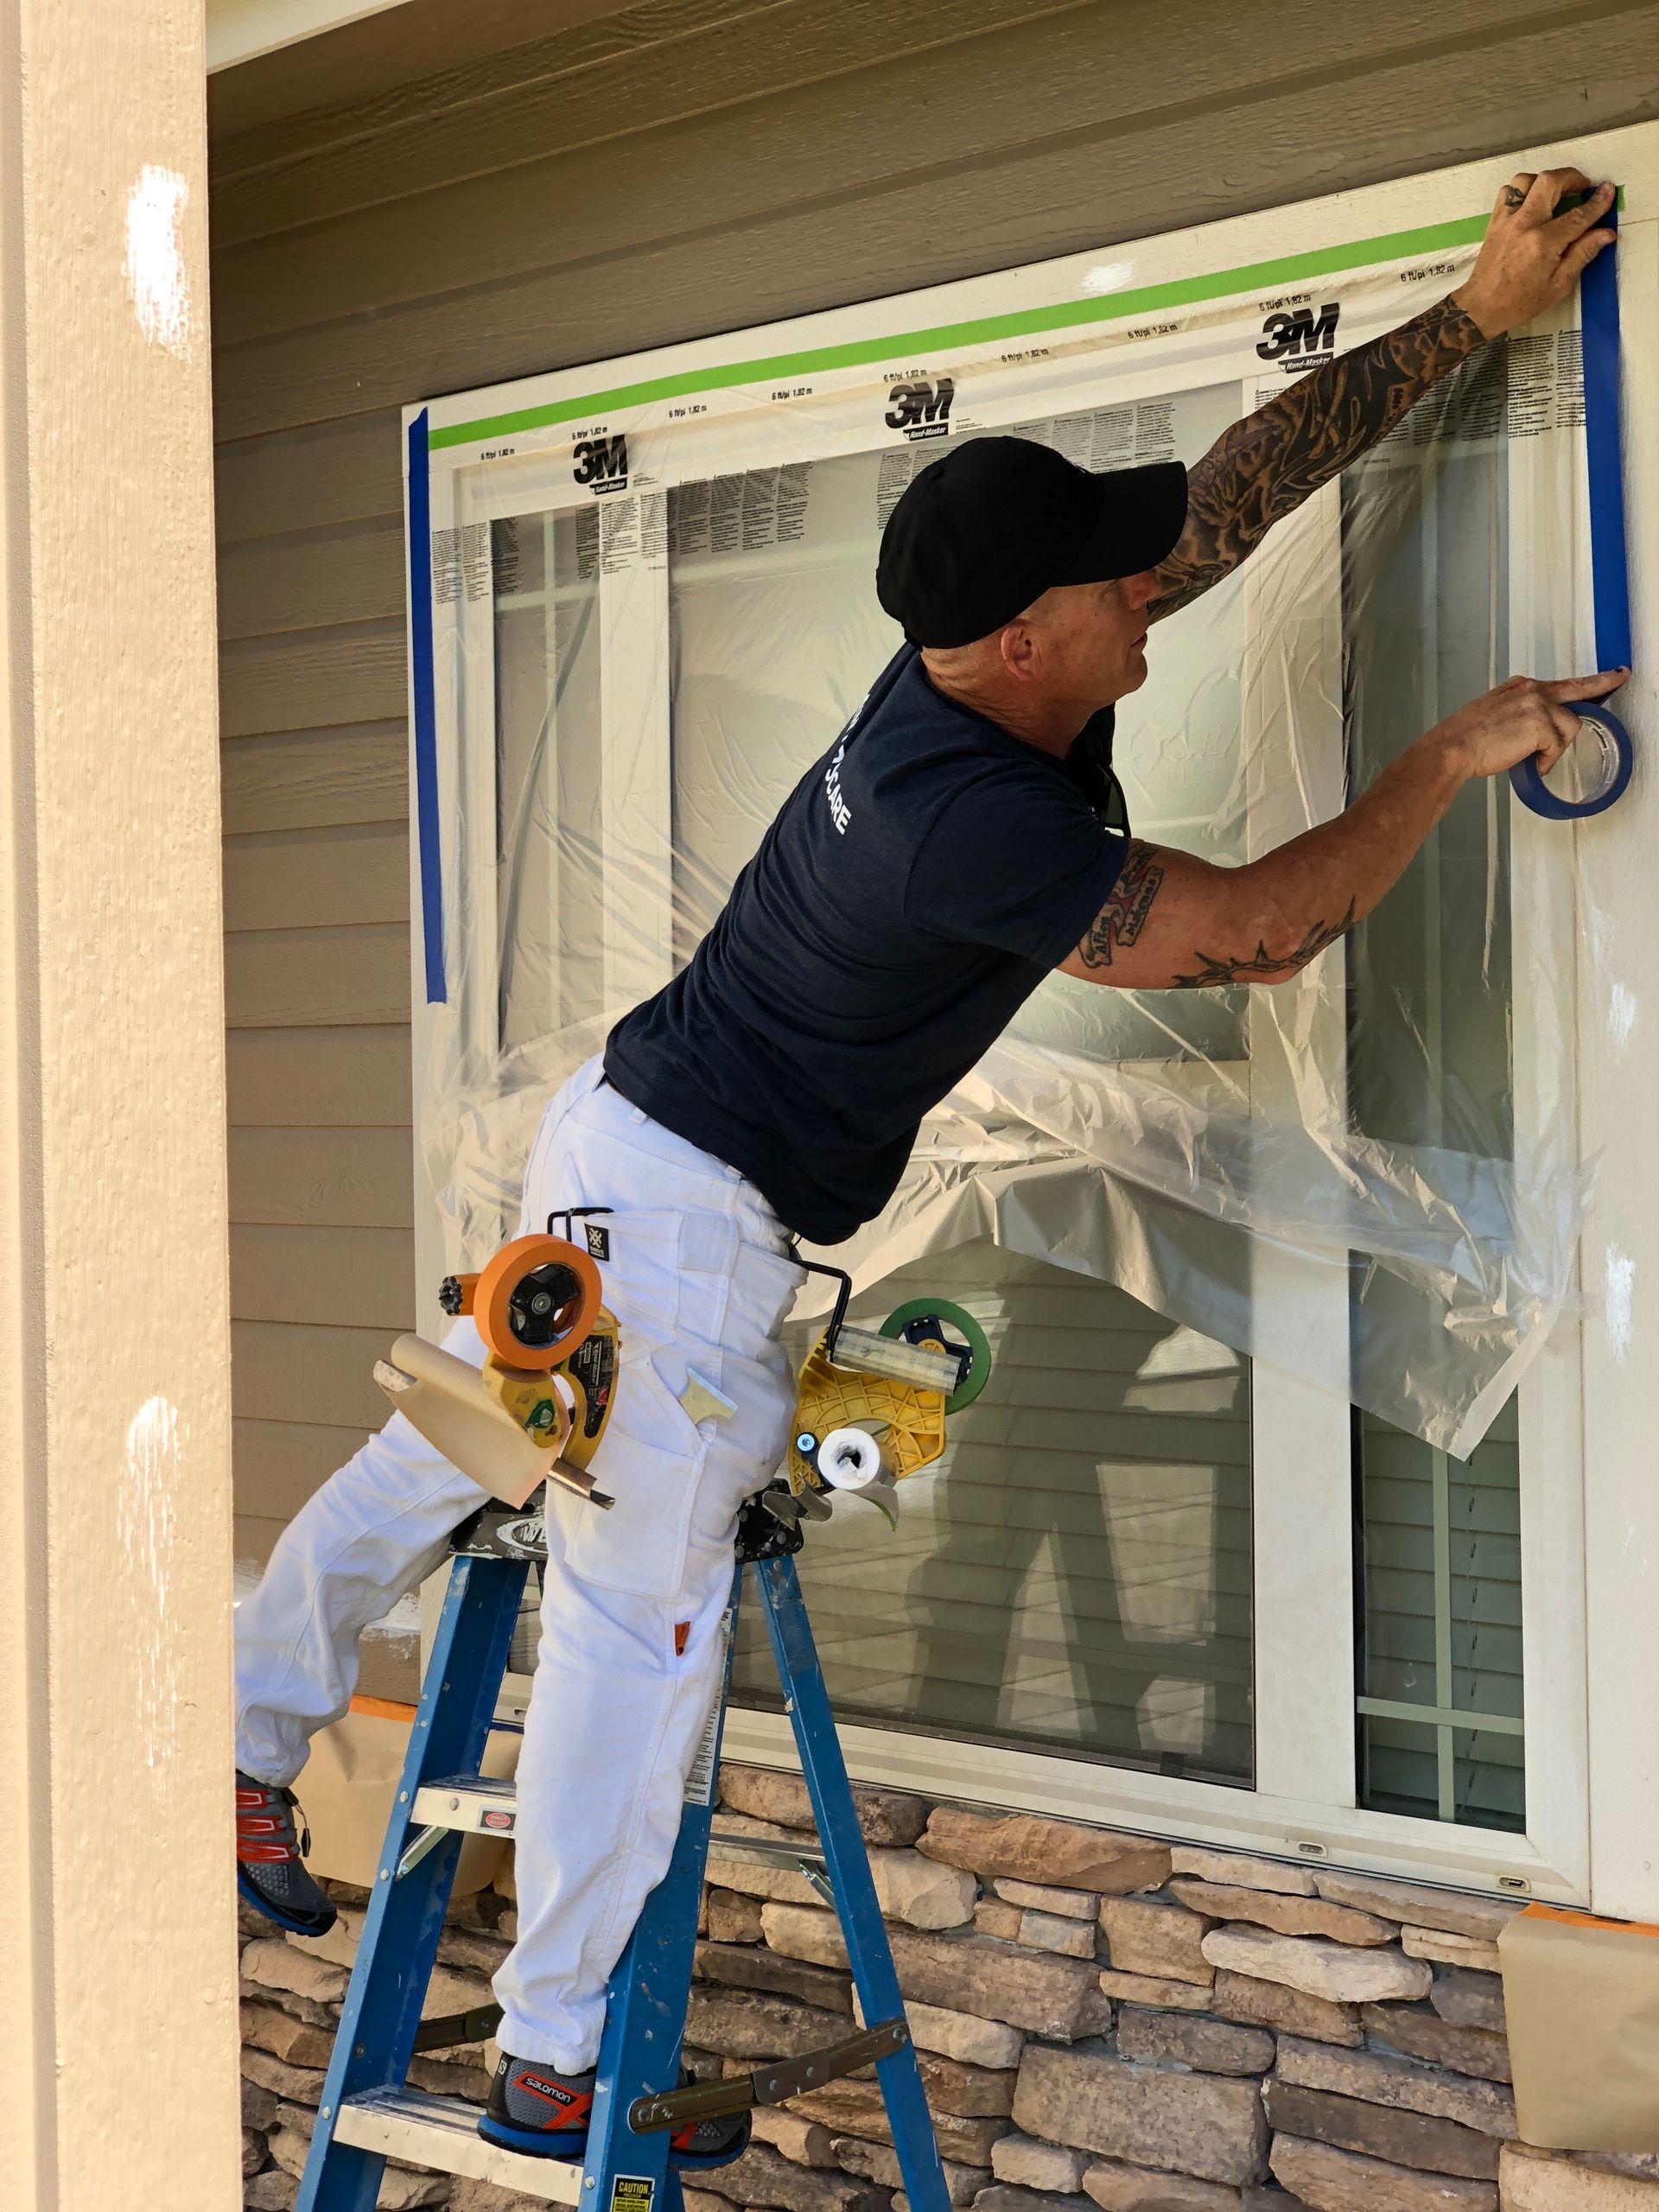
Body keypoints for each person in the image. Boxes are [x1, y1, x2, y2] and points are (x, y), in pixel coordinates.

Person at [233, 168, 1621, 2164]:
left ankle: (245, 1721)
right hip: (697, 1219)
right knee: (638, 1620)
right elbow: (1254, 932)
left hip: (620, 1140)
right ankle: (549, 2060)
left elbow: (1222, 502)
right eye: (1117, 581)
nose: (1155, 587)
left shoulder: (969, 666)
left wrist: (1473, 319)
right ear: (1036, 625)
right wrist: (1446, 752)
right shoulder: (969, 822)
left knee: (467, 1436)